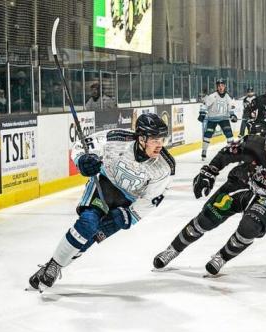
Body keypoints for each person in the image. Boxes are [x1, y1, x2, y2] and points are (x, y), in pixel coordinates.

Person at [29, 113, 175, 291]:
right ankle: (53, 265)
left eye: (162, 139)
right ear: (142, 138)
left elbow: (151, 199)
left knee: (90, 238)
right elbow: (80, 147)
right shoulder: (116, 139)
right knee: (87, 224)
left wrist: (131, 216)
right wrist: (82, 160)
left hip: (126, 204)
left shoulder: (165, 167)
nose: (160, 145)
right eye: (154, 139)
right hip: (103, 188)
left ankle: (53, 266)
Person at [153, 124, 266, 275]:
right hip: (241, 184)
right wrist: (210, 171)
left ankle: (222, 257)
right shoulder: (254, 144)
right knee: (206, 219)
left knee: (249, 229)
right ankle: (172, 250)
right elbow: (227, 153)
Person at [199, 78, 237, 161]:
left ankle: (232, 151)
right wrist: (202, 113)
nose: (220, 87)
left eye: (222, 85)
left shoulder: (228, 96)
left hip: (224, 119)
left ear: (225, 86)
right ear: (217, 87)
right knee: (207, 135)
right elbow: (205, 105)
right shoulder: (212, 95)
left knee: (229, 135)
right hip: (212, 119)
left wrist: (232, 115)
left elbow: (231, 107)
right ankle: (204, 151)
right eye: (219, 86)